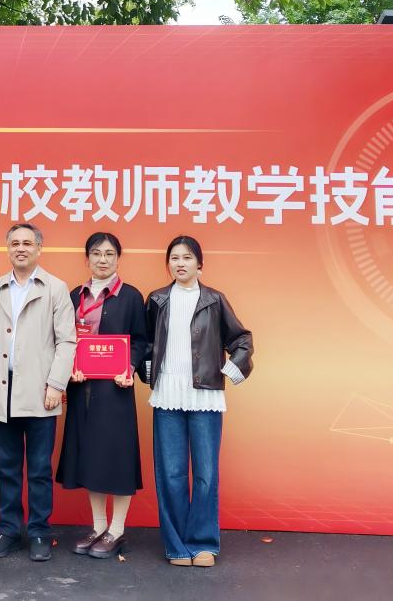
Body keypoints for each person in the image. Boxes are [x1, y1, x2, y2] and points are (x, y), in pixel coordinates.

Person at [142, 235, 254, 568]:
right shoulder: (157, 300)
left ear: (199, 263)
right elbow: (145, 343)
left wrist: (231, 369)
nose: (180, 263)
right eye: (175, 258)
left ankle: (203, 543)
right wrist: (146, 369)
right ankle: (176, 545)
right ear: (168, 264)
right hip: (168, 395)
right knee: (171, 474)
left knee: (205, 474)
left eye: (187, 257)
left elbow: (241, 339)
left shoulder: (214, 300)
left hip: (205, 395)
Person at [0, 223, 76, 562]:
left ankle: (39, 531)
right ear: (7, 249)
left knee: (39, 469)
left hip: (41, 392)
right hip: (3, 391)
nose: (21, 248)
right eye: (15, 243)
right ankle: (9, 531)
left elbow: (67, 341)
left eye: (27, 243)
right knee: (6, 467)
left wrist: (56, 384)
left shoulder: (55, 288)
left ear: (39, 248)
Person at [57, 232, 148, 559]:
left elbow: (141, 341)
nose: (102, 259)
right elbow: (64, 340)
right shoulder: (74, 296)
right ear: (87, 259)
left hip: (116, 390)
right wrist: (70, 368)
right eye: (96, 253)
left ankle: (117, 529)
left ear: (118, 258)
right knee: (91, 457)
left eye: (109, 254)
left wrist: (130, 367)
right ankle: (98, 527)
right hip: (82, 388)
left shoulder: (131, 296)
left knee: (118, 458)